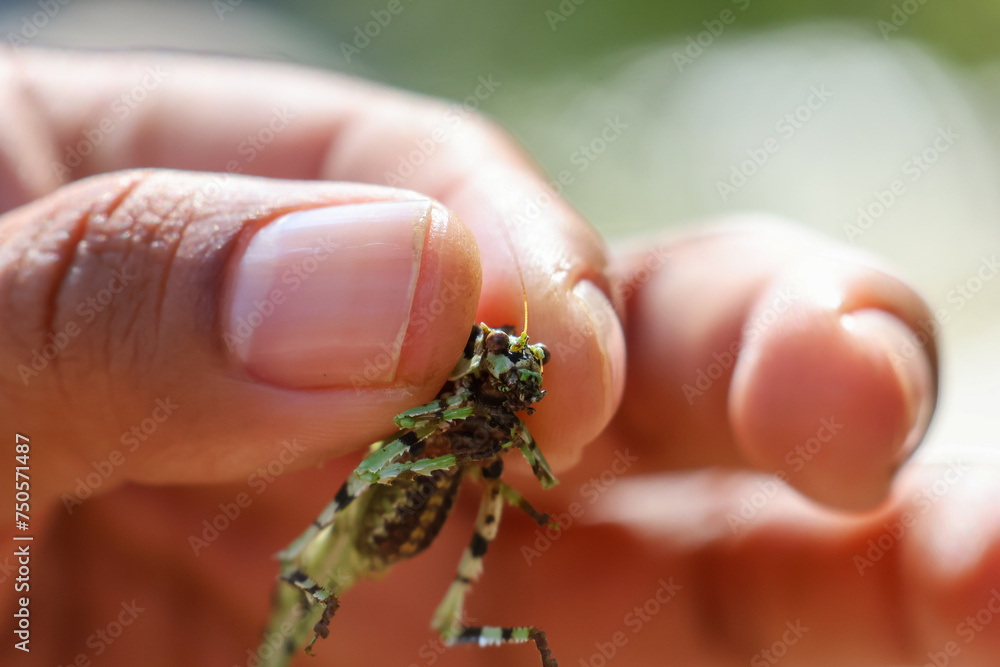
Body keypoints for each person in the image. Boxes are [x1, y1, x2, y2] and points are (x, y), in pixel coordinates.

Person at [1, 50, 967, 667]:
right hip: (411, 477)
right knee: (374, 495)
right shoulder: (457, 401)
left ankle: (301, 617)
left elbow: (535, 461)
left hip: (435, 483)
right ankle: (301, 609)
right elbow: (526, 457)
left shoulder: (490, 419)